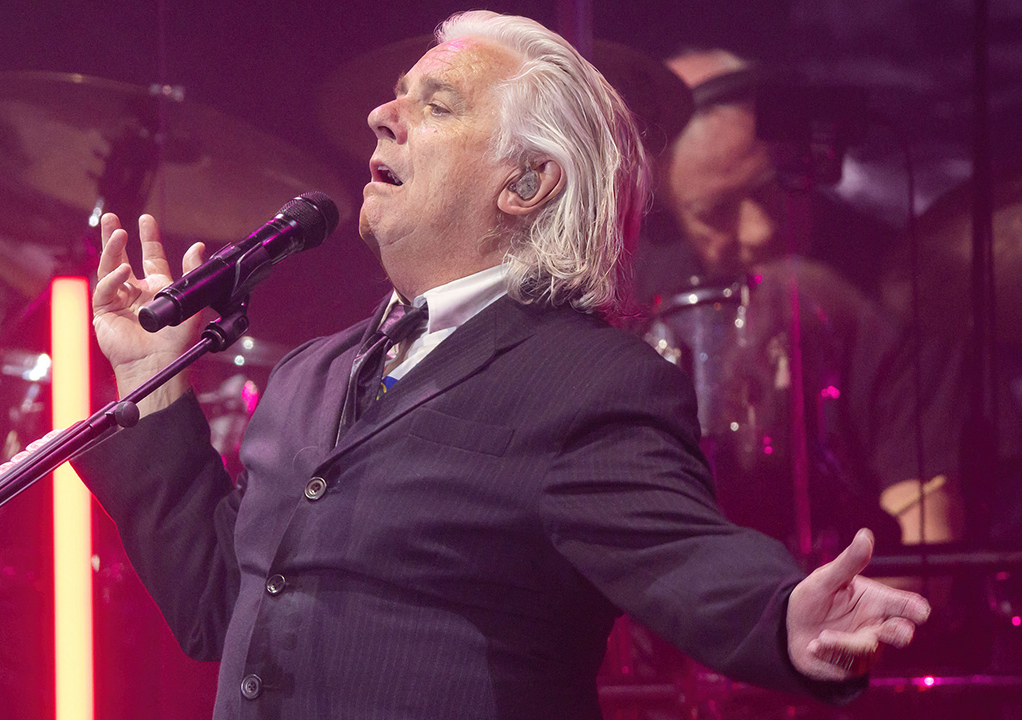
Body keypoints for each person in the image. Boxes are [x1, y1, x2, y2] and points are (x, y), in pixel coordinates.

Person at [73, 12, 930, 719]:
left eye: (437, 105)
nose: (383, 114)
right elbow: (218, 606)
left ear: (526, 183)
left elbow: (681, 552)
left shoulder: (586, 382)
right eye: (399, 95)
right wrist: (154, 388)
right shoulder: (310, 375)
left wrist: (785, 619)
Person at [642, 48, 962, 555]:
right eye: (714, 213)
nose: (760, 229)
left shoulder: (904, 293)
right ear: (665, 211)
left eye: (771, 188)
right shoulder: (640, 302)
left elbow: (929, 545)